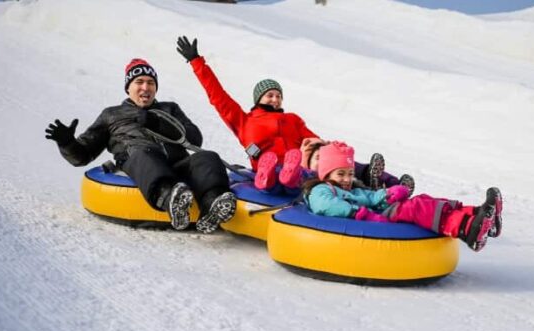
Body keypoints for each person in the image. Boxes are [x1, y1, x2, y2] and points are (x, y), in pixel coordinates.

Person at [175, 36, 413, 194]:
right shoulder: (243, 120)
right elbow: (218, 96)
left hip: (301, 163)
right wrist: (197, 62)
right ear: (258, 99)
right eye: (269, 95)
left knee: (340, 162)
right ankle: (271, 175)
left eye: (278, 95)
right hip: (271, 166)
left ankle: (389, 182)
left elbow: (313, 140)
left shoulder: (292, 119)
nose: (275, 99)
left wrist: (330, 150)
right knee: (285, 171)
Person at [45, 58, 237, 233]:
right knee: (145, 152)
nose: (145, 87)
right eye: (139, 82)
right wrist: (67, 142)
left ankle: (212, 206)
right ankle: (171, 199)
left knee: (208, 156)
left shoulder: (169, 109)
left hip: (178, 165)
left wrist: (158, 123)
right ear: (128, 87)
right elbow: (82, 155)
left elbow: (195, 139)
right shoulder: (111, 115)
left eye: (151, 83)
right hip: (141, 162)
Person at [303, 141, 503, 252]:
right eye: (341, 173)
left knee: (424, 200)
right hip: (377, 219)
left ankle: (479, 215)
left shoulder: (353, 190)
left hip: (381, 211)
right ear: (326, 173)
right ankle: (468, 229)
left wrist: (388, 194)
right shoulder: (322, 189)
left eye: (350, 173)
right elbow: (326, 206)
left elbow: (370, 197)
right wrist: (359, 213)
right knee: (417, 208)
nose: (347, 178)